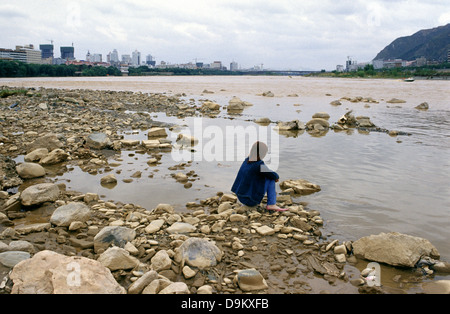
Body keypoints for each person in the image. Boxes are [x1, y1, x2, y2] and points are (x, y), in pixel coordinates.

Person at [231, 141, 287, 212]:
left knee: (265, 175)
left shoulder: (247, 160)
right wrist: (275, 178)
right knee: (271, 178)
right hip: (250, 201)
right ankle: (271, 204)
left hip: (240, 197)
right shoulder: (259, 165)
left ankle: (270, 203)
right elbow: (275, 175)